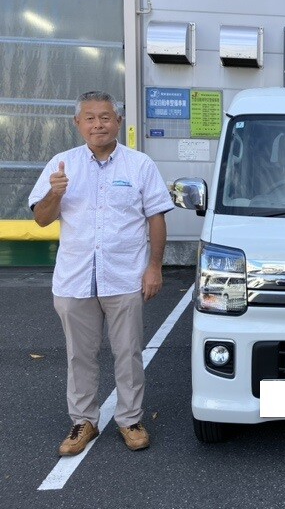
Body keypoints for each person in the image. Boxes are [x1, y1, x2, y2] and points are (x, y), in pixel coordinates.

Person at [29, 91, 174, 456]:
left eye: (105, 117)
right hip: (74, 279)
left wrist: (154, 267)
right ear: (78, 123)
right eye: (90, 118)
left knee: (128, 353)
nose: (98, 124)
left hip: (125, 276)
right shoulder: (61, 165)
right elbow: (41, 219)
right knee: (79, 355)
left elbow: (156, 217)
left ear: (118, 122)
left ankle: (130, 419)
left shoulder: (139, 165)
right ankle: (84, 421)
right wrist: (55, 194)